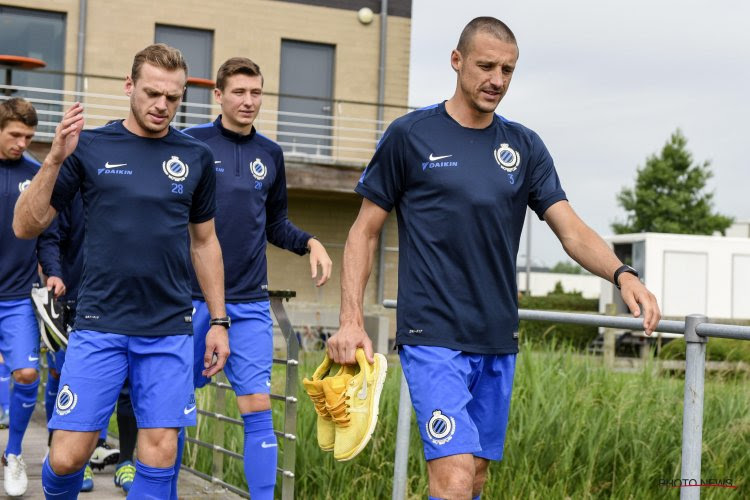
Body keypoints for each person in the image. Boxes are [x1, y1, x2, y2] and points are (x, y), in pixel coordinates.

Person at [326, 17, 661, 500]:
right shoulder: (409, 135)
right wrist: (351, 320)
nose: (497, 80)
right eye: (485, 66)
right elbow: (363, 231)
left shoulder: (524, 146)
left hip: (497, 338)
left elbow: (569, 228)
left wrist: (622, 273)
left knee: (475, 476)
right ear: (456, 61)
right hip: (433, 336)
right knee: (456, 474)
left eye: (507, 69)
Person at [13, 43, 230, 499]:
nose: (162, 105)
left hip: (168, 327)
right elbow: (26, 224)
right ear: (129, 86)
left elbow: (205, 242)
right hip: (99, 323)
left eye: (173, 98)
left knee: (160, 451)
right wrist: (53, 158)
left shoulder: (194, 158)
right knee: (67, 456)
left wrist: (219, 320)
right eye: (153, 93)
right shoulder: (88, 147)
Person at [178, 57, 332, 500]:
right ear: (219, 95)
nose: (248, 101)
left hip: (248, 303)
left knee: (258, 409)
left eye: (256, 93)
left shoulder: (271, 154)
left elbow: (275, 224)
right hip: (189, 300)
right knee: (174, 408)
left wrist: (310, 242)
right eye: (240, 92)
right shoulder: (191, 144)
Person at [36, 190, 138, 493]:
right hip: (80, 300)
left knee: (129, 386)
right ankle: (73, 461)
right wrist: (53, 273)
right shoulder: (75, 182)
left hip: (132, 300)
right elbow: (49, 237)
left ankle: (127, 461)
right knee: (72, 382)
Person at [0, 97, 47, 496]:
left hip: (18, 297)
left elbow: (48, 234)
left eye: (29, 137)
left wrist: (57, 273)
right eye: (15, 135)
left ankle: (13, 454)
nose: (22, 143)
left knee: (28, 374)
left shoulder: (36, 174)